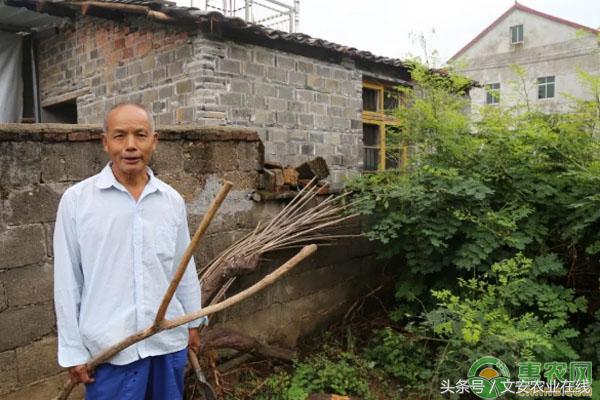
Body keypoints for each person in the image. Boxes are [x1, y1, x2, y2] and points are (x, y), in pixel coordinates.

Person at [53, 103, 206, 399]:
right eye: (120, 136)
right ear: (105, 141)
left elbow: (183, 268)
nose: (131, 146)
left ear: (155, 140)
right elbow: (67, 281)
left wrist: (193, 323)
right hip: (110, 351)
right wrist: (72, 350)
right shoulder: (77, 201)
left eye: (141, 135)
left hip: (167, 343)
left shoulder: (171, 200)